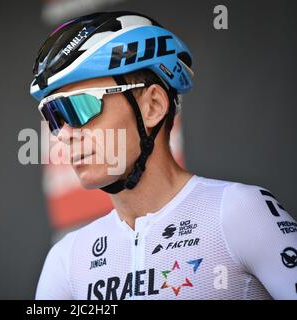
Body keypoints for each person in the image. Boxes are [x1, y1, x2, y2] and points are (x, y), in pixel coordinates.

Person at [29, 11, 297, 300]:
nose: (65, 133)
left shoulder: (241, 212)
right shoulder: (67, 259)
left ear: (153, 105)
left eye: (80, 107)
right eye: (54, 116)